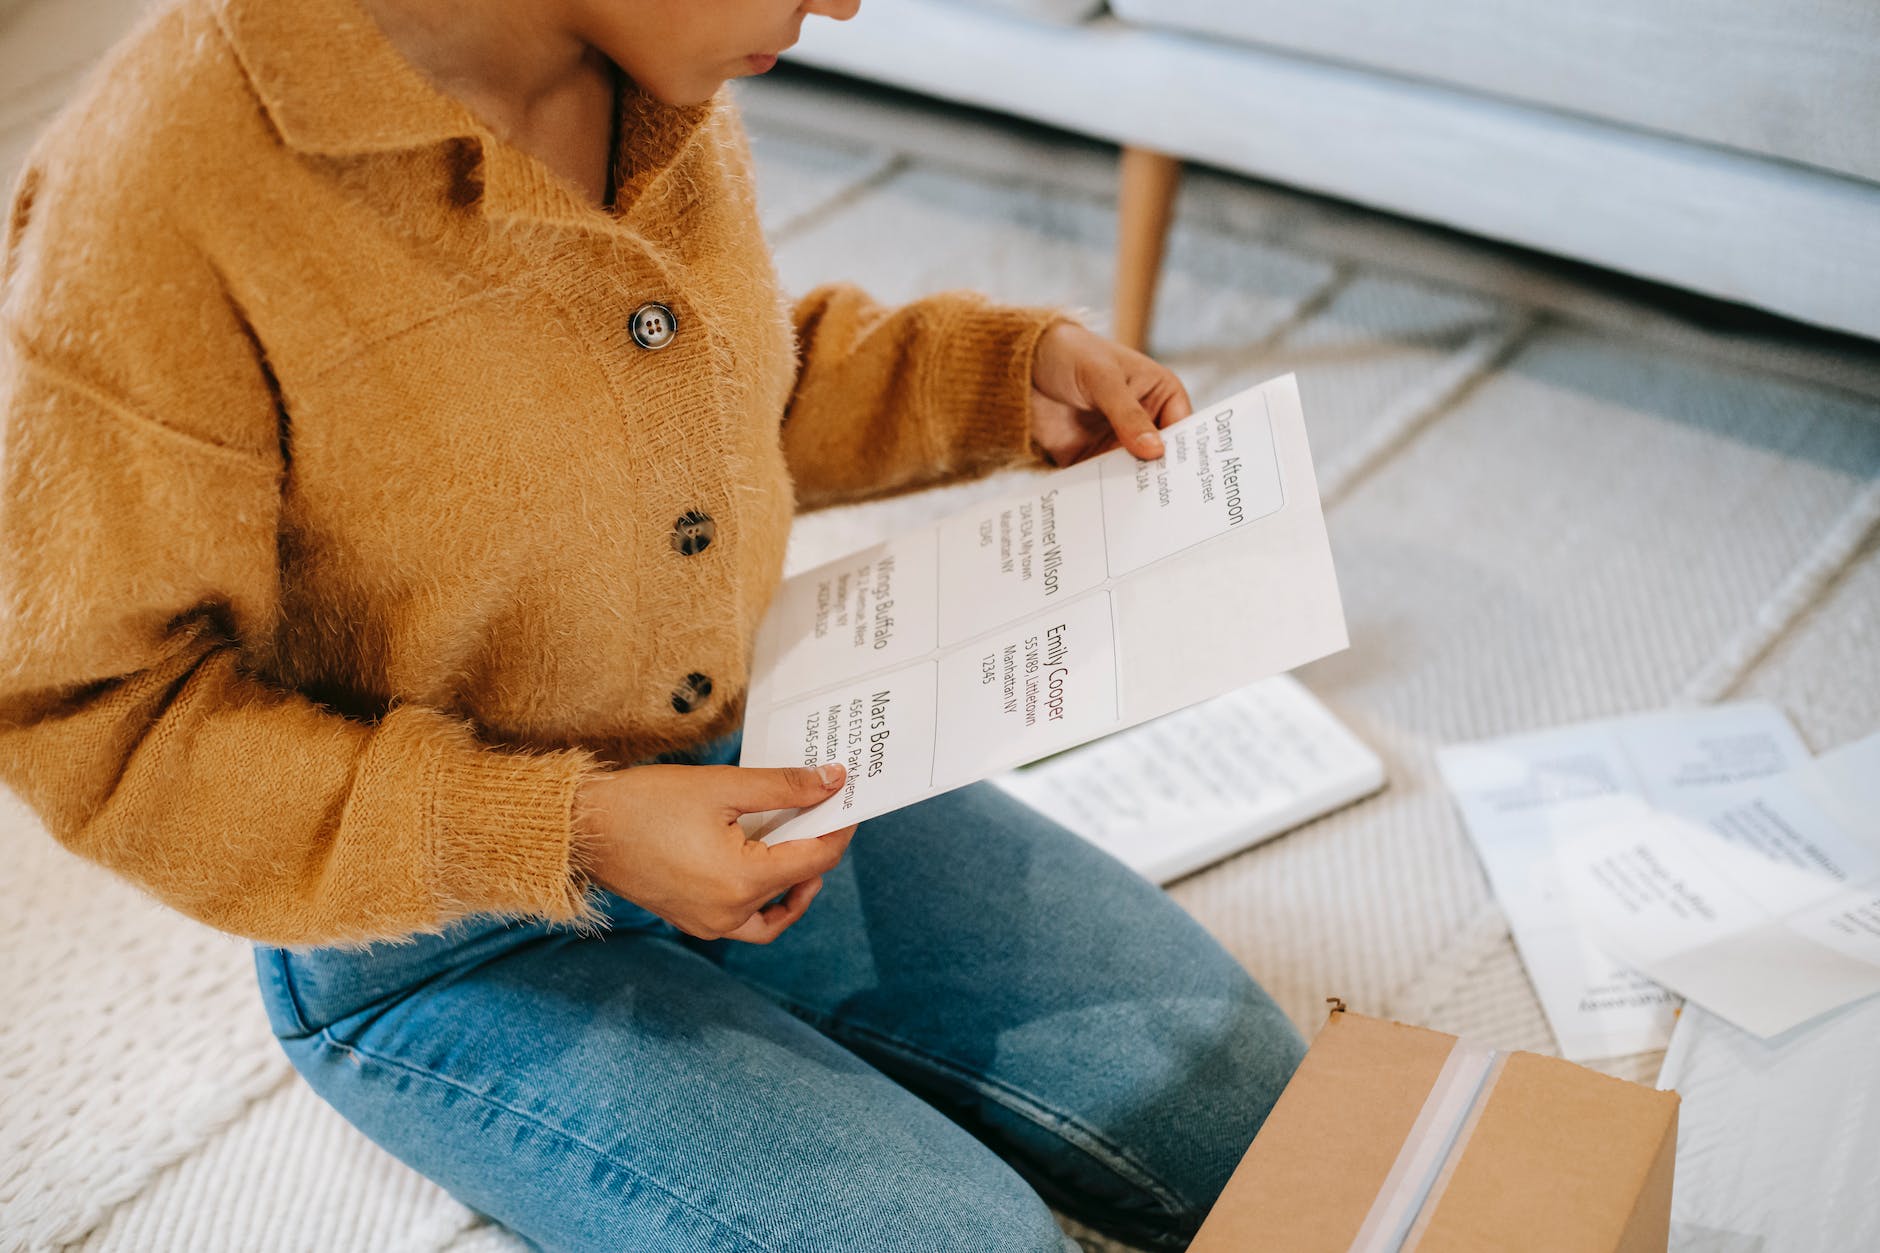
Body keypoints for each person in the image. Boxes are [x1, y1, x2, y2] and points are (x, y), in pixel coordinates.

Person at [0, 0, 1306, 1247]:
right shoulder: (159, 188)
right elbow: (94, 712)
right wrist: (565, 828)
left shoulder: (639, 62)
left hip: (759, 767)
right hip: (439, 927)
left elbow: (696, 399)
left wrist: (987, 380)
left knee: (1244, 1094)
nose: (845, 9)